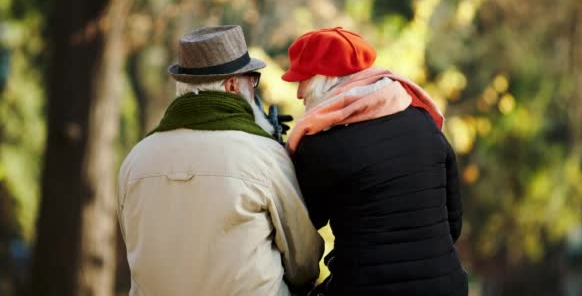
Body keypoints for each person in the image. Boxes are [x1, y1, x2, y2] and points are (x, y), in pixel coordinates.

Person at [117, 25, 324, 296]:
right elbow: (304, 262)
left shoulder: (136, 158)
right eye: (252, 79)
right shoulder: (263, 154)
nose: (254, 89)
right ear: (232, 85)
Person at [281, 27, 468, 295]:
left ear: (326, 78)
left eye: (303, 80)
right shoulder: (423, 121)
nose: (299, 93)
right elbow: (453, 222)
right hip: (445, 286)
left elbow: (302, 226)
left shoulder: (319, 145)